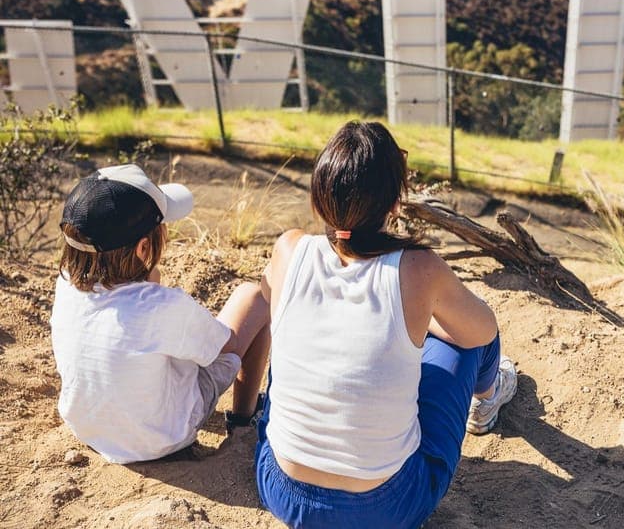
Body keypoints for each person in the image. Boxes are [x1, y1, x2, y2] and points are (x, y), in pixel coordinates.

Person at [256, 121, 517, 528]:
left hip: (282, 489)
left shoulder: (289, 249)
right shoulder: (417, 269)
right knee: (465, 341)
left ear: (319, 197)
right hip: (384, 508)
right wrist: (422, 324)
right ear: (394, 204)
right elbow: (482, 330)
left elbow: (279, 307)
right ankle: (490, 393)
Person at [51, 164, 271, 464]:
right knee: (254, 297)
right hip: (160, 439)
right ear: (143, 248)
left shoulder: (65, 283)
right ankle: (244, 417)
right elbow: (227, 347)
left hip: (88, 427)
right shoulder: (160, 305)